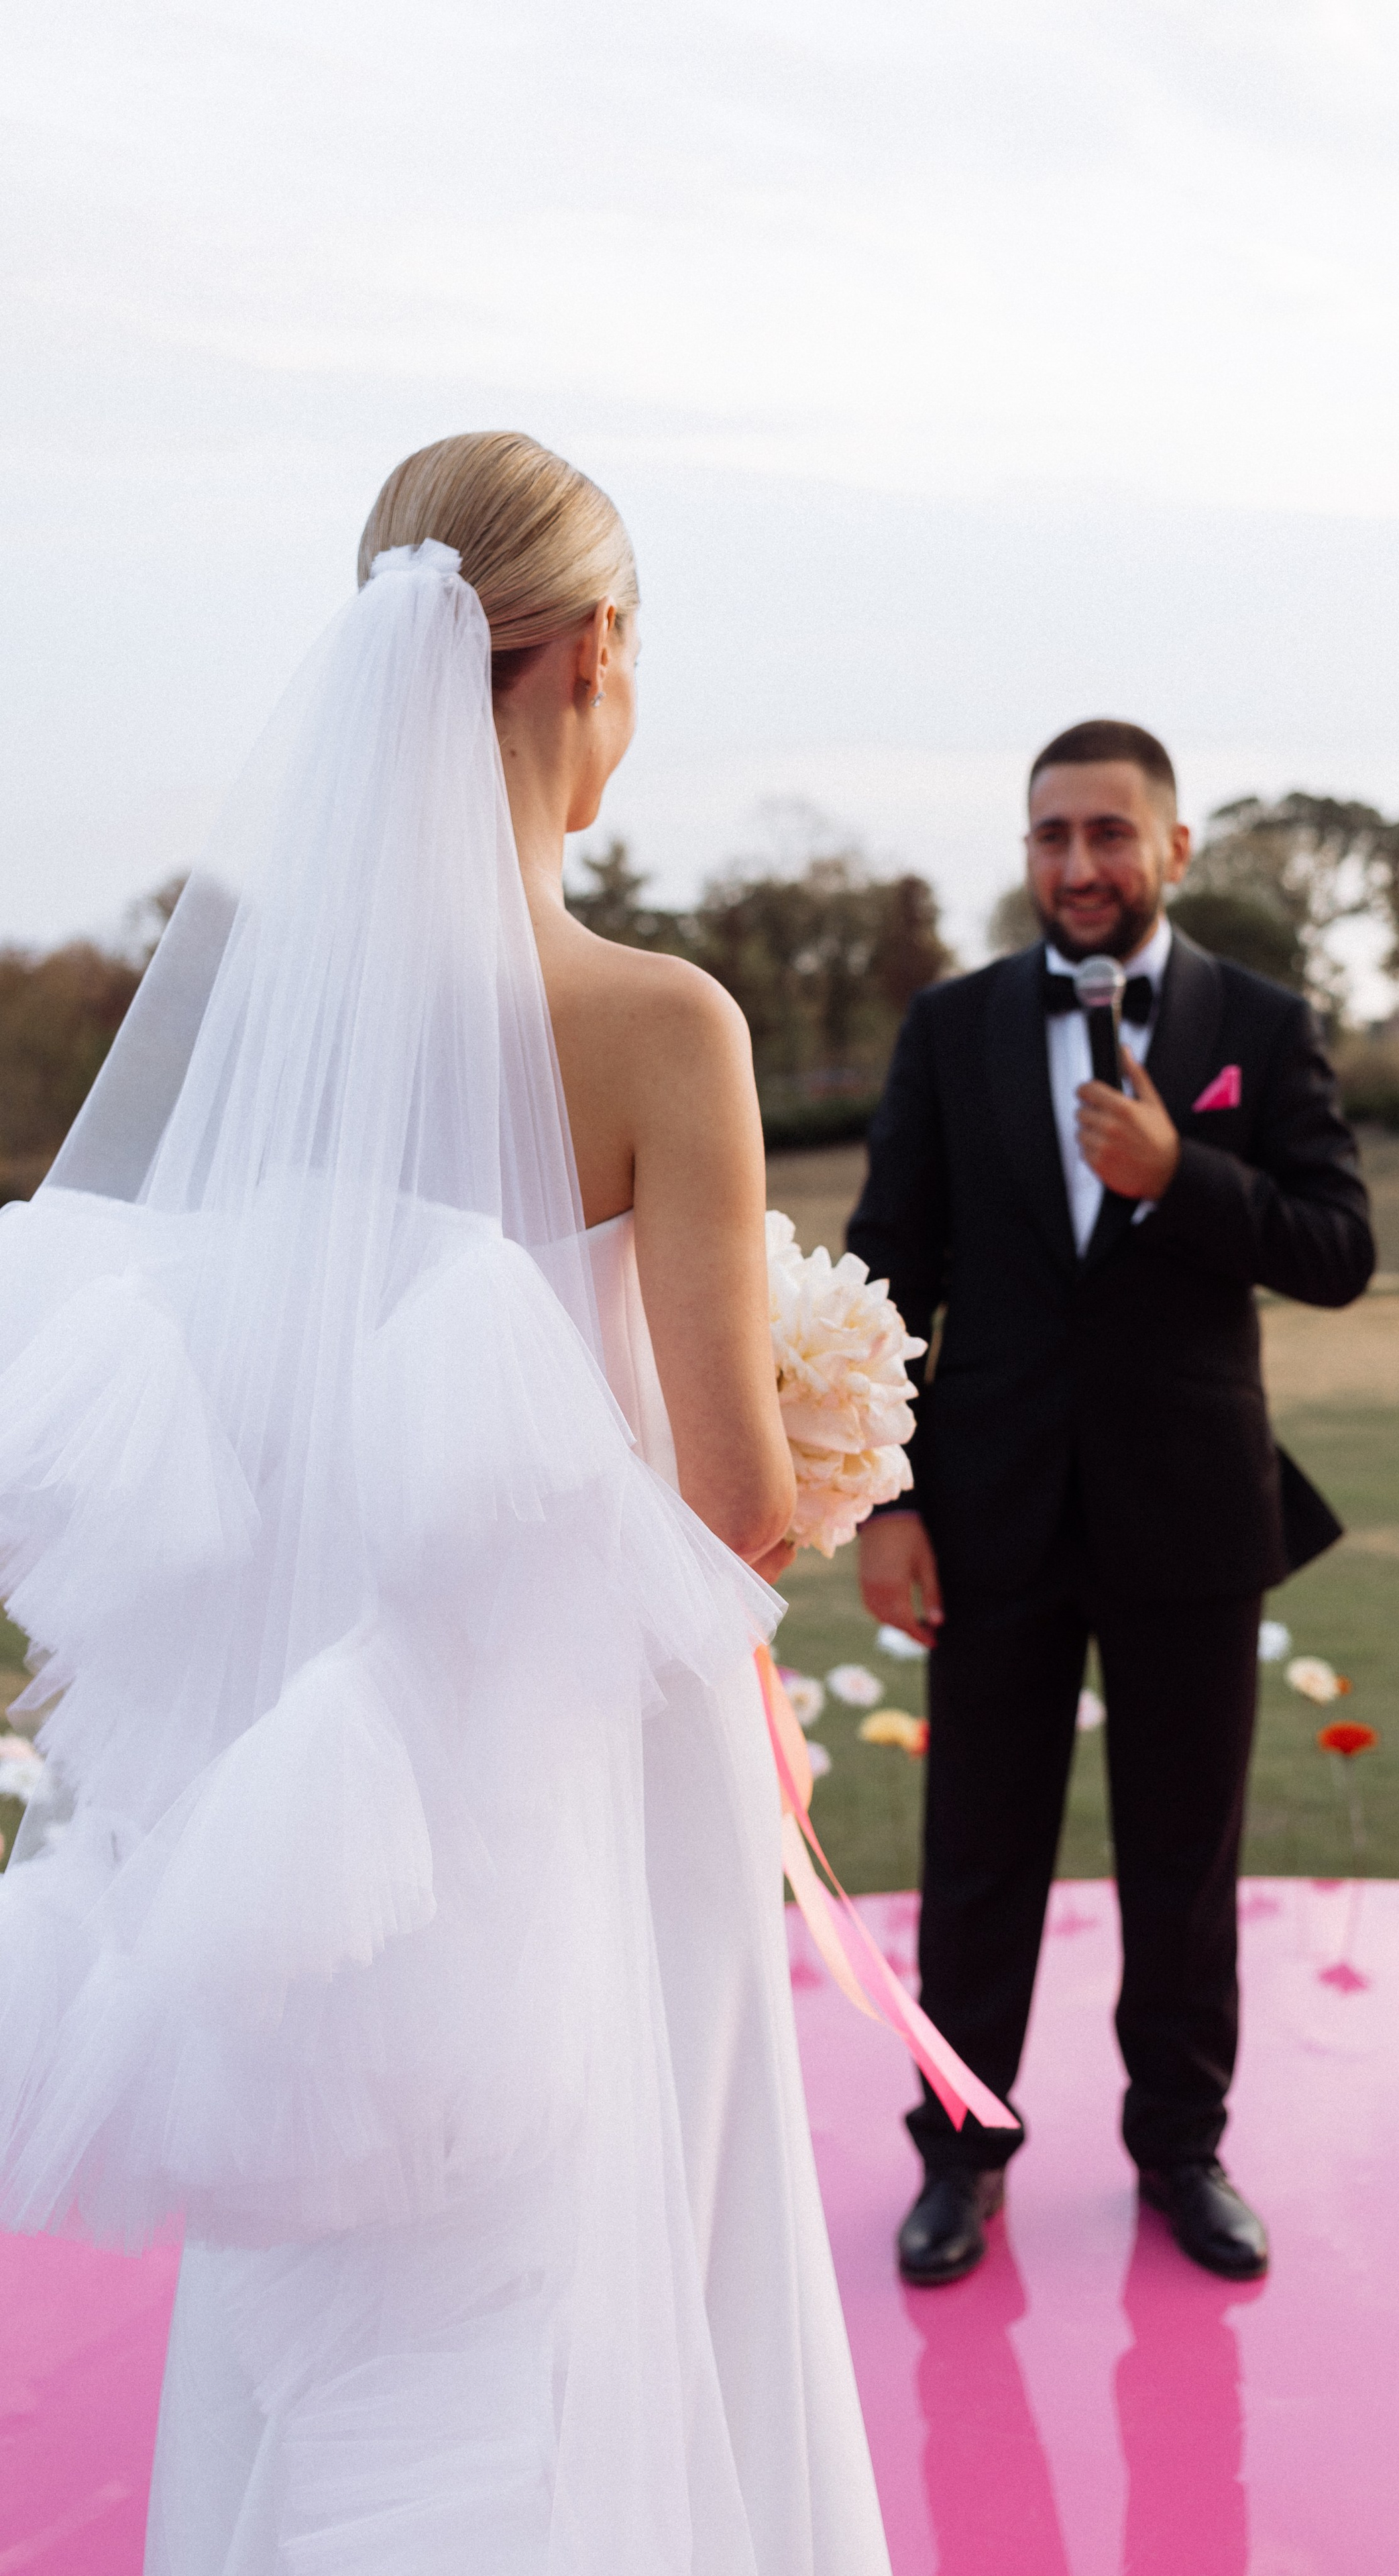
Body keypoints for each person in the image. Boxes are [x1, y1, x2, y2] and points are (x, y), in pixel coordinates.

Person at [0, 434, 892, 2572]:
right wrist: (821, 1430)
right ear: (592, 654)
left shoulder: (289, 1031)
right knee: (614, 2251)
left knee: (356, 2296)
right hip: (590, 1775)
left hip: (331, 1801)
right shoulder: (660, 1027)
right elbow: (736, 1507)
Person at [848, 718, 1374, 2288]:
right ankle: (959, 2152)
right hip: (991, 1516)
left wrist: (1178, 1179)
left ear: (1171, 849)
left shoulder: (1258, 1027)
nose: (1077, 866)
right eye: (1049, 838)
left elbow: (1337, 1247)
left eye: (1106, 835)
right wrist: (886, 1499)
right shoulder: (947, 1032)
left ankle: (1181, 2152)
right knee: (977, 1858)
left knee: (1180, 1856)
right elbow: (888, 1273)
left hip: (1191, 1518)